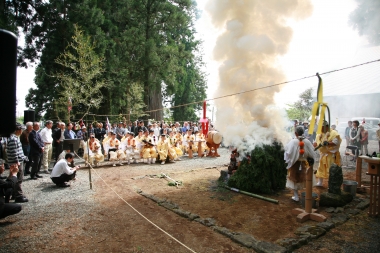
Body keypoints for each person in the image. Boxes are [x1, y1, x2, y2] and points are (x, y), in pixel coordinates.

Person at [284, 126, 316, 201]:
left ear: (295, 133)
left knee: (294, 179)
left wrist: (290, 160)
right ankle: (307, 195)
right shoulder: (307, 141)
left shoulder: (293, 141)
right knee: (307, 179)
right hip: (305, 163)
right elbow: (312, 153)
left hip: (295, 164)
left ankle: (296, 196)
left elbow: (288, 152)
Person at [314, 121, 342, 187]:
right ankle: (320, 182)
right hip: (323, 154)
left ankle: (332, 184)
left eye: (322, 127)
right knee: (321, 168)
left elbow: (336, 142)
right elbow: (316, 142)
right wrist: (314, 145)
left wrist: (328, 143)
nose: (320, 129)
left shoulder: (333, 133)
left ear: (326, 127)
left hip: (330, 155)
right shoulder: (319, 134)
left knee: (331, 169)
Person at [5, 123, 29, 202]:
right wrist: (17, 161)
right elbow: (14, 151)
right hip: (16, 161)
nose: (21, 131)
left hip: (18, 160)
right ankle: (18, 195)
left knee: (15, 177)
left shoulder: (14, 138)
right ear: (18, 130)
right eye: (21, 129)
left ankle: (14, 194)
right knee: (18, 178)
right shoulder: (13, 139)